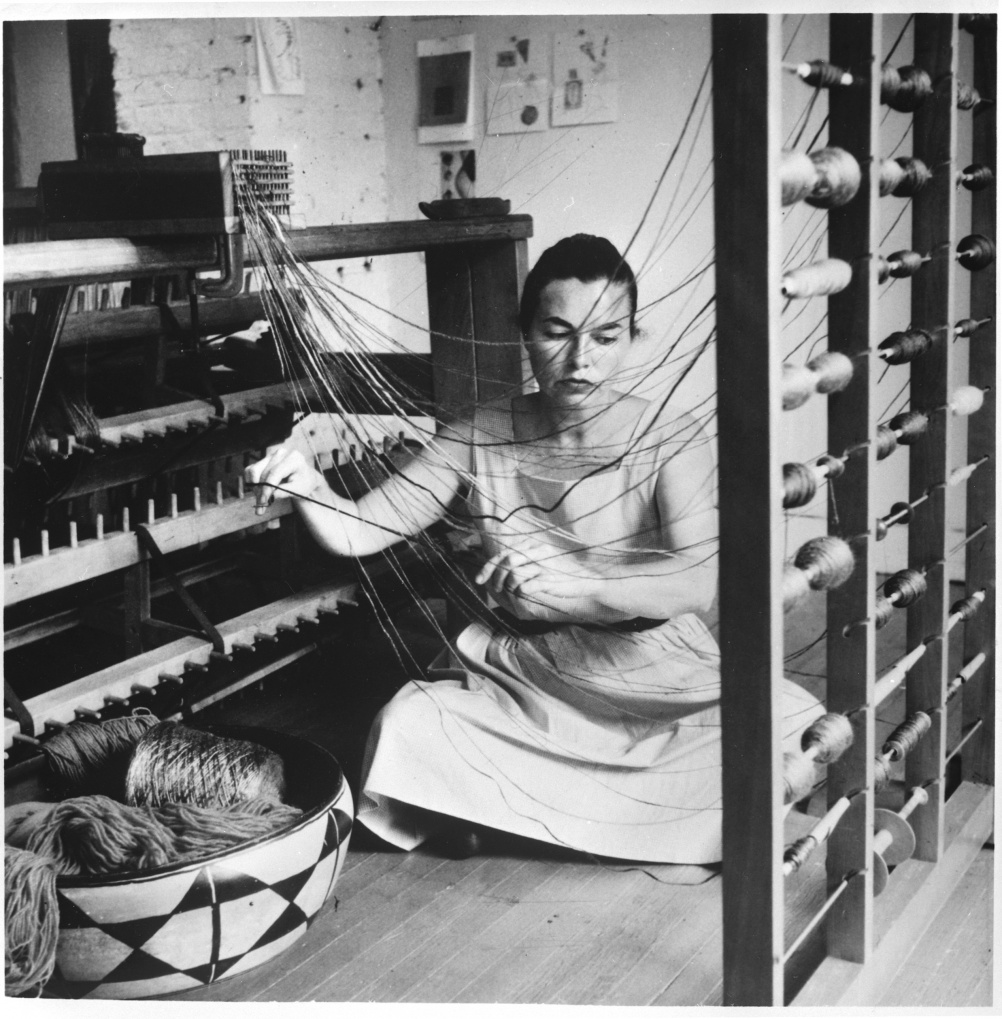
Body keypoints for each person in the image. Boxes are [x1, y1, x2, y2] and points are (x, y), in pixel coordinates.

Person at [246, 234, 821, 864]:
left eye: (606, 337)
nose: (581, 360)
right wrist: (305, 484)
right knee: (408, 727)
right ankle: (607, 825)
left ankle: (510, 818)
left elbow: (697, 584)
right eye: (558, 332)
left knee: (792, 723)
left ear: (632, 337)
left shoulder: (671, 438)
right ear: (524, 334)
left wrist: (574, 583)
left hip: (648, 669)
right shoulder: (477, 436)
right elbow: (359, 530)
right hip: (524, 676)